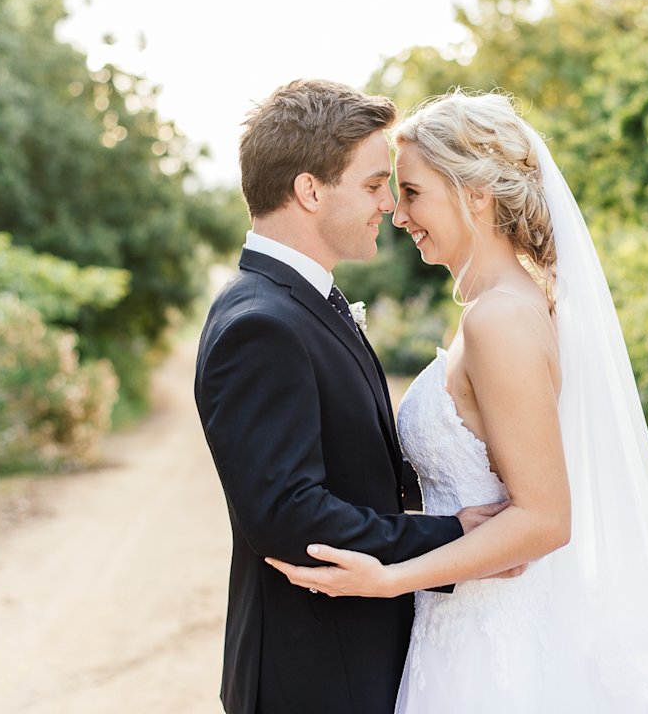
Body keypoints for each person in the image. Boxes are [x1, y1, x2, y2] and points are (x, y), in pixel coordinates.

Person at [267, 91, 648, 712]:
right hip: (464, 625)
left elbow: (544, 518)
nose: (398, 214)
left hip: (497, 643)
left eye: (414, 192)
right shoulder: (502, 305)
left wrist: (389, 577)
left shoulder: (499, 319)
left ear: (475, 194)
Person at [194, 79, 507, 714]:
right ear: (310, 191)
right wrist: (445, 538)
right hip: (312, 674)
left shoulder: (303, 303)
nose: (389, 206)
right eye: (371, 185)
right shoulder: (262, 324)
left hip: (352, 656)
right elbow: (288, 517)